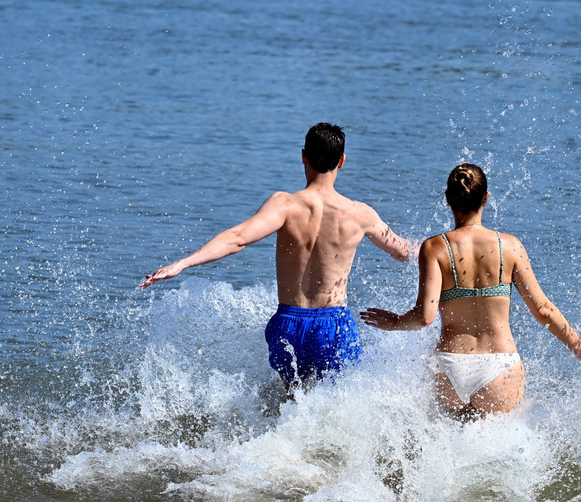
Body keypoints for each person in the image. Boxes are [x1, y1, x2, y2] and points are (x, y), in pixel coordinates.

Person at [140, 123, 413, 390]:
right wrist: (435, 244)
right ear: (341, 161)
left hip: (288, 325)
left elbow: (238, 238)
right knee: (336, 405)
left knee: (292, 405)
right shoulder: (360, 214)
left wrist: (183, 262)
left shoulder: (285, 206)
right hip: (333, 327)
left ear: (303, 156)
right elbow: (401, 251)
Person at [361, 163, 581, 418]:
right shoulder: (510, 246)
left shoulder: (434, 247)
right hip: (500, 368)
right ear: (486, 198)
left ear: (447, 199)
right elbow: (543, 310)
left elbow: (424, 317)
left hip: (449, 366)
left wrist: (394, 322)